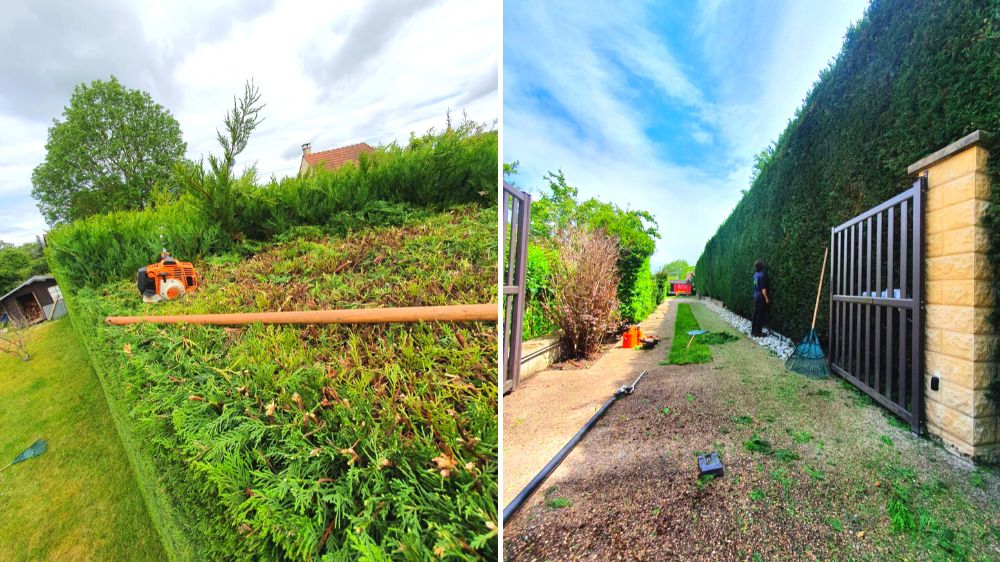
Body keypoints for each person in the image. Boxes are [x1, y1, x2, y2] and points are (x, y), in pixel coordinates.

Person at [751, 260, 769, 337]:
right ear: (761, 267)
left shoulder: (755, 275)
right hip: (761, 297)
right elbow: (763, 289)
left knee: (755, 313)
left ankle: (753, 331)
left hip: (755, 295)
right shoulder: (762, 275)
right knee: (760, 315)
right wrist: (766, 298)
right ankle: (758, 332)